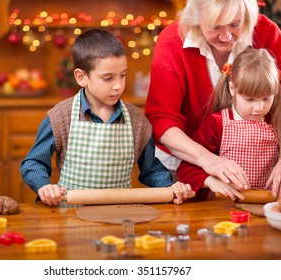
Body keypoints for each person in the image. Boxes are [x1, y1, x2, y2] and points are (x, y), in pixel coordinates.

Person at [145, 0, 281, 199]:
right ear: (196, 20)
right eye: (216, 26)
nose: (226, 36)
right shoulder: (172, 41)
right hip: (184, 165)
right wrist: (208, 160)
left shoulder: (266, 32)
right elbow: (162, 120)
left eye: (235, 24)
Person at [20, 29, 193, 206]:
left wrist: (171, 187)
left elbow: (151, 170)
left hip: (118, 217)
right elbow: (33, 162)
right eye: (108, 78)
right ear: (82, 77)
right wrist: (44, 186)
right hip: (71, 218)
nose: (118, 86)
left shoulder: (137, 122)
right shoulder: (61, 117)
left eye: (123, 75)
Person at [176, 48, 281, 201]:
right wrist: (210, 181)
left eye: (266, 98)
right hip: (221, 208)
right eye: (250, 99)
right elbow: (186, 169)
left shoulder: (278, 124)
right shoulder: (216, 123)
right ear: (232, 88)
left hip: (265, 207)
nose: (259, 108)